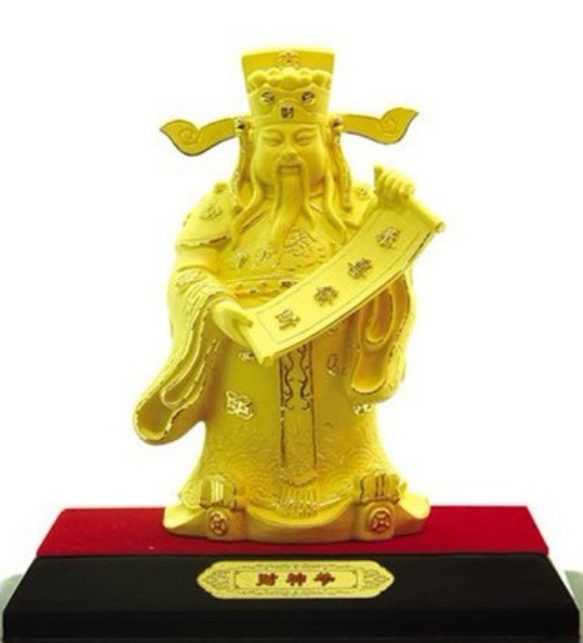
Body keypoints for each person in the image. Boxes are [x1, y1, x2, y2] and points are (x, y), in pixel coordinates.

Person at [134, 49, 438, 542]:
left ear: (330, 142)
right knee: (243, 423)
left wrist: (394, 215)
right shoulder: (221, 206)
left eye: (303, 139)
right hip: (246, 359)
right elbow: (188, 273)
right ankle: (229, 477)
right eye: (274, 140)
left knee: (344, 427)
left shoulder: (357, 205)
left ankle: (358, 476)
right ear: (250, 144)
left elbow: (388, 277)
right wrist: (219, 309)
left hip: (335, 361)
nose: (289, 153)